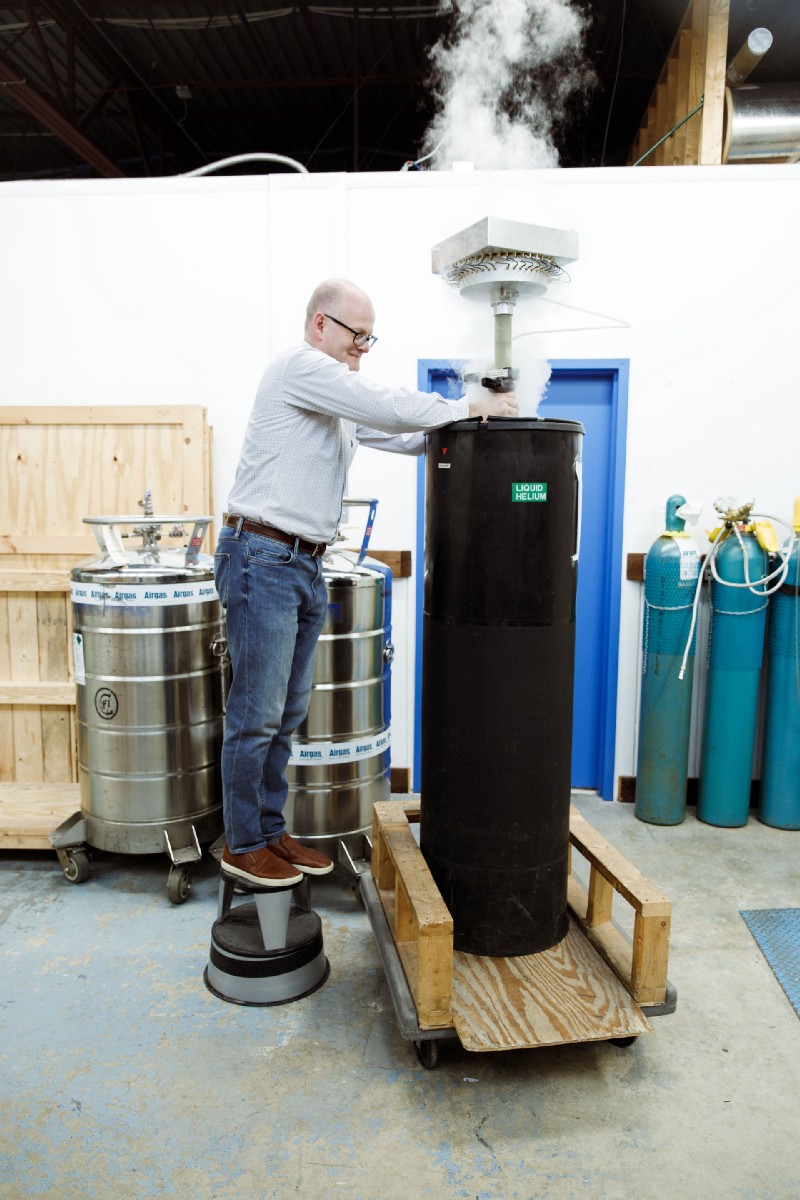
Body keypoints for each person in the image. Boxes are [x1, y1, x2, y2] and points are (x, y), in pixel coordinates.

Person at [214, 278, 518, 888]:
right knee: (257, 714)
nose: (363, 347)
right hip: (261, 557)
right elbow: (384, 405)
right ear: (320, 324)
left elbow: (403, 435)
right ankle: (244, 843)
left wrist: (473, 420)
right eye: (358, 334)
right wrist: (464, 406)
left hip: (303, 562)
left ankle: (270, 831)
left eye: (369, 337)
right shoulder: (301, 368)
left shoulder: (334, 402)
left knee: (287, 713)